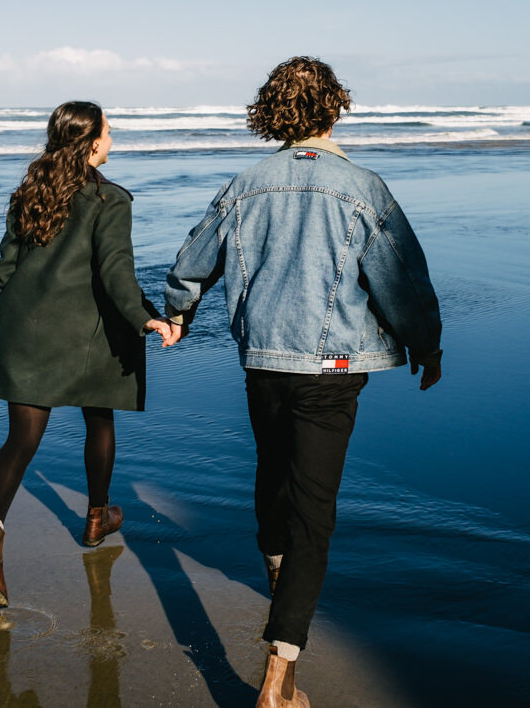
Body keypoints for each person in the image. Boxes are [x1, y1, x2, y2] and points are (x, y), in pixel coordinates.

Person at [161, 57, 442, 707]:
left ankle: (279, 590)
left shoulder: (247, 183)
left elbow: (191, 260)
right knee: (313, 516)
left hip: (264, 360)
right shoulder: (363, 187)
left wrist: (178, 311)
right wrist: (426, 344)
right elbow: (402, 280)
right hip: (333, 368)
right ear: (334, 108)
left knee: (273, 486)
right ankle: (279, 675)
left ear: (273, 113)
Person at [0, 101, 172, 608]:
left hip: (21, 330)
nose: (113, 136)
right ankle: (96, 517)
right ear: (92, 141)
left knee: (21, 441)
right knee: (98, 418)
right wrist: (144, 316)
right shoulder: (111, 199)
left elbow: (3, 272)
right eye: (108, 129)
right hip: (85, 336)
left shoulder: (29, 194)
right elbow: (116, 272)